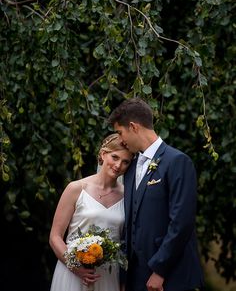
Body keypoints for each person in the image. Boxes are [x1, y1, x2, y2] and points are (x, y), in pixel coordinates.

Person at [108, 98, 205, 291]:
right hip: (135, 278)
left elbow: (181, 222)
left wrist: (160, 270)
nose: (120, 140)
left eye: (120, 132)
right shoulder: (131, 166)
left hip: (169, 278)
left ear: (134, 127)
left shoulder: (177, 161)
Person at [49, 133, 133, 291]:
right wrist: (75, 267)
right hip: (72, 272)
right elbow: (55, 236)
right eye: (115, 157)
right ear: (103, 154)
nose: (118, 165)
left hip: (108, 275)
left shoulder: (128, 196)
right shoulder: (76, 188)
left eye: (125, 162)